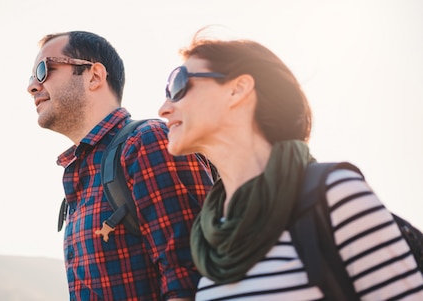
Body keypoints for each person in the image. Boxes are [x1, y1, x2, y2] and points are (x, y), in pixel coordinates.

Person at [158, 27, 423, 300]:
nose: (164, 108)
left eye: (179, 85)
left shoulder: (333, 194)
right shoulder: (211, 234)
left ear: (238, 90)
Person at [26, 30, 215, 301]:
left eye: (43, 70)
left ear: (94, 76)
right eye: (31, 77)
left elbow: (191, 278)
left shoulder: (146, 142)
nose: (32, 86)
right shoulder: (83, 175)